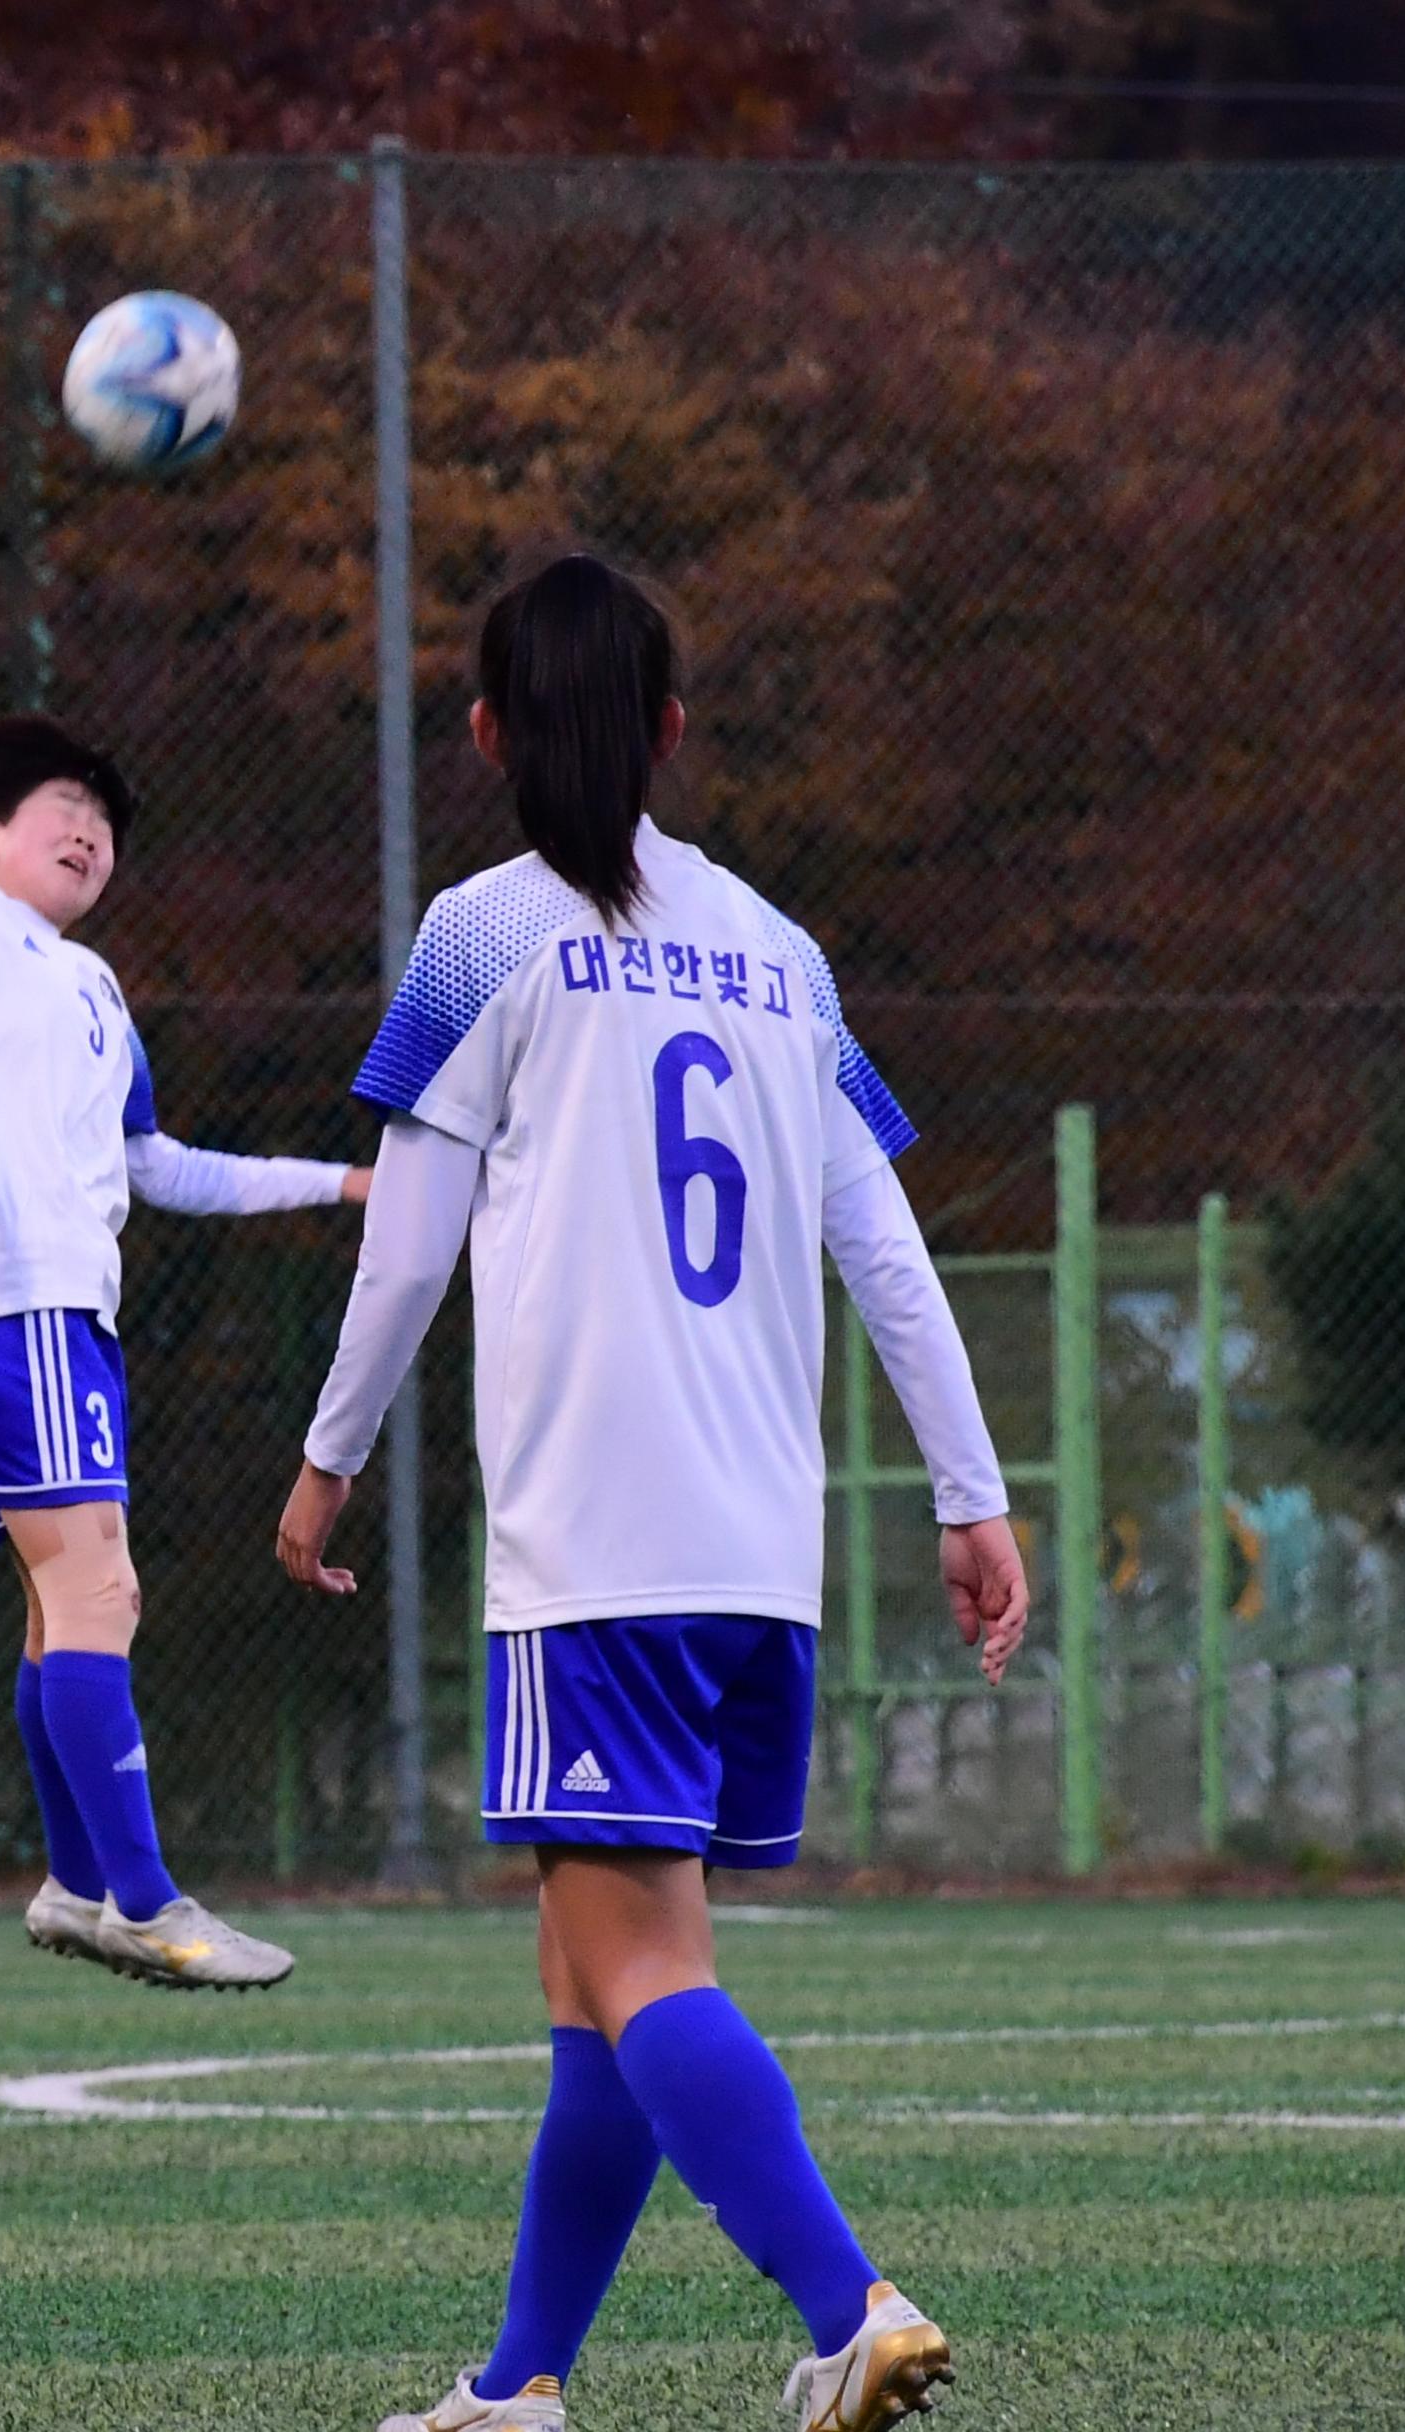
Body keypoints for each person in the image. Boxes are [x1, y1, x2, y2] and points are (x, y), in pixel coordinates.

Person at [274, 556, 1026, 2432]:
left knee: (631, 1954)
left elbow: (403, 1254)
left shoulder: (478, 932)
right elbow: (885, 1242)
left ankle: (848, 2298)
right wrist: (968, 1487)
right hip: (756, 1553)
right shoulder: (782, 948)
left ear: (481, 735)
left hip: (591, 1548)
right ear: (673, 732)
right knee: (587, 1975)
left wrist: (324, 1463)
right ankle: (518, 2384)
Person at [0, 716, 366, 1992]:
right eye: (60, 806)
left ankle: (81, 1885)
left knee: (57, 1609)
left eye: (105, 819)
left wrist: (346, 1183)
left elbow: (161, 1166)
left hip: (69, 1314)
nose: (88, 829)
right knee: (102, 1595)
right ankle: (145, 1899)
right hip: (14, 1298)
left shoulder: (93, 985)